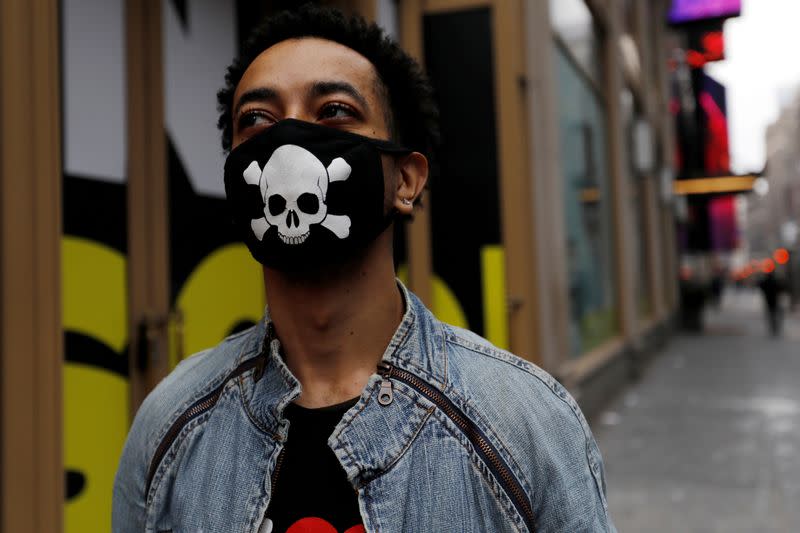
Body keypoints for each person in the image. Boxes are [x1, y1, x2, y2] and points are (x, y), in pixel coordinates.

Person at [112, 6, 615, 532]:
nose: (287, 139)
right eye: (256, 120)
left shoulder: (521, 427)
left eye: (333, 111)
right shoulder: (168, 428)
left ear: (405, 180)